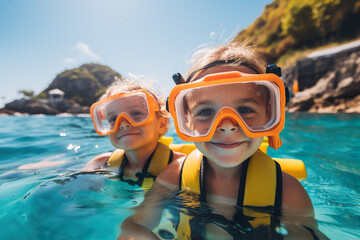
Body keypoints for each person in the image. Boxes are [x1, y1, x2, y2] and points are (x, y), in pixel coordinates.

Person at [119, 43, 324, 240]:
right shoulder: (174, 176)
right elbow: (133, 226)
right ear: (185, 120)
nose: (226, 125)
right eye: (206, 112)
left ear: (270, 114)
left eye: (245, 110)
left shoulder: (288, 193)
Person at [82, 78, 185, 189]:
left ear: (161, 124)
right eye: (113, 119)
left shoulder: (181, 166)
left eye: (136, 113)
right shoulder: (100, 164)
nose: (123, 124)